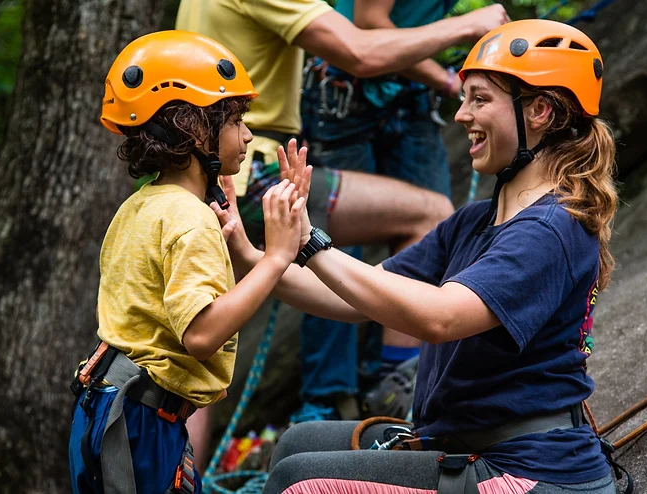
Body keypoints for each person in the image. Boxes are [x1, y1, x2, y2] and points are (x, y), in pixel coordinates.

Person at [216, 18, 619, 493]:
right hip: (464, 444)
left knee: (295, 480)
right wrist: (248, 252)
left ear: (541, 112)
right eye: (464, 97)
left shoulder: (553, 228)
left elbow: (441, 318)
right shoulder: (473, 223)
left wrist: (308, 242)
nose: (461, 115)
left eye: (480, 99)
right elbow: (351, 301)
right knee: (296, 443)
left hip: (527, 470)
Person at [176, 0, 508, 463]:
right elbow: (358, 50)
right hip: (255, 169)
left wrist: (253, 256)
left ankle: (176, 476)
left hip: (201, 176)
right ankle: (399, 390)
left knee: (188, 352)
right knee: (427, 211)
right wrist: (471, 25)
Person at [67, 31, 307, 494]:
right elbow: (200, 335)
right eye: (236, 120)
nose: (248, 134)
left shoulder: (141, 204)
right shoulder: (188, 220)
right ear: (193, 130)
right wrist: (275, 259)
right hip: (140, 424)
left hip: (108, 403)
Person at [297, 0, 503, 423]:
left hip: (409, 97)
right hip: (345, 98)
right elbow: (368, 25)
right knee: (328, 250)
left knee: (435, 234)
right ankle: (327, 403)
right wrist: (451, 72)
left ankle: (403, 392)